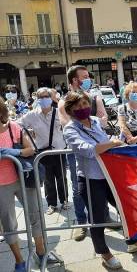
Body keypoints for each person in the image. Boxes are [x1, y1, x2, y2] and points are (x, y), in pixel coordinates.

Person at [63, 91, 137, 270]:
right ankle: (104, 253)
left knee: (125, 208)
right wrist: (111, 144)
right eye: (78, 106)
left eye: (85, 104)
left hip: (110, 175)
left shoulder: (95, 121)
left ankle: (133, 242)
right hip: (90, 179)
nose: (83, 108)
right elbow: (88, 150)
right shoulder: (70, 129)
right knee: (97, 218)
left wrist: (114, 142)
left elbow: (104, 141)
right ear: (71, 110)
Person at [0, 97, 59, 271]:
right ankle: (19, 260)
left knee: (36, 215)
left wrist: (13, 152)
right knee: (9, 223)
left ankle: (41, 253)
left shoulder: (13, 127)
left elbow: (30, 150)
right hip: (2, 186)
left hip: (24, 179)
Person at [58, 65, 110, 242]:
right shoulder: (63, 102)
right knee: (79, 188)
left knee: (104, 189)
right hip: (79, 153)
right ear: (74, 80)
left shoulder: (94, 96)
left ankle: (105, 218)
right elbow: (68, 125)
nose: (88, 79)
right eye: (84, 76)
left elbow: (102, 120)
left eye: (88, 76)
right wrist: (96, 142)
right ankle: (82, 222)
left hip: (101, 152)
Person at [18, 87, 68, 215]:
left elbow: (68, 125)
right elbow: (18, 126)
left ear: (51, 98)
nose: (43, 99)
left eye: (46, 96)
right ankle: (51, 204)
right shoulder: (32, 115)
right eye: (40, 97)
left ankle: (65, 201)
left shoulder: (59, 113)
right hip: (42, 153)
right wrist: (27, 133)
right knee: (48, 179)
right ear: (37, 99)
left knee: (61, 177)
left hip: (59, 151)